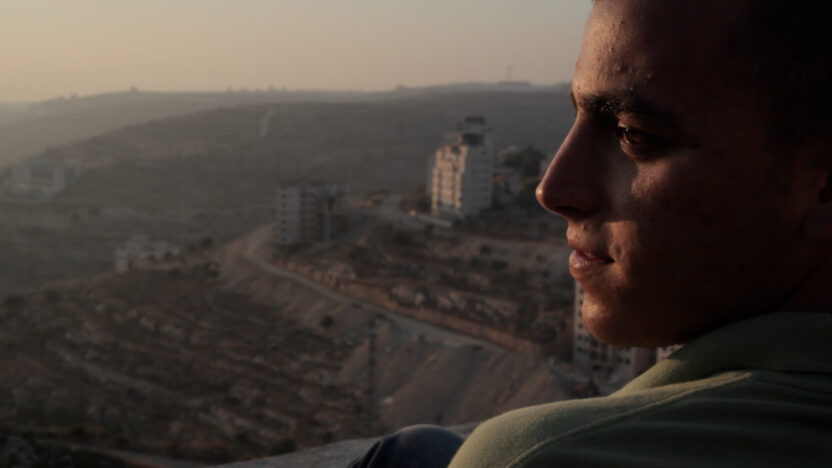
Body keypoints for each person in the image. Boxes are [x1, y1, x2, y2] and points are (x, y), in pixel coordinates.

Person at [349, 0, 832, 466]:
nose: (551, 189)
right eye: (578, 116)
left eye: (633, 133)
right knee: (417, 450)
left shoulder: (538, 457)